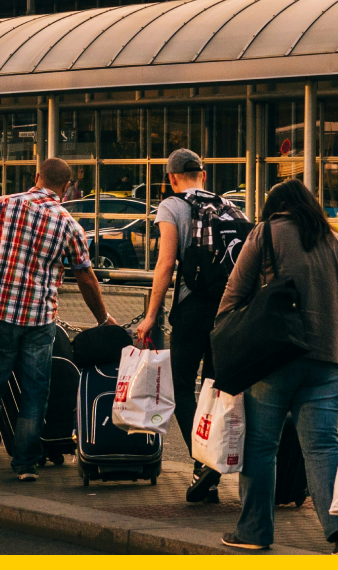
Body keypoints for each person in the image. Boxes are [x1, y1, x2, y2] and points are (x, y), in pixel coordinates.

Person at [218, 179, 338, 554]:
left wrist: (226, 344)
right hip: (328, 362)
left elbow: (233, 294)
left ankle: (255, 532)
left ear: (276, 207)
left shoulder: (265, 235)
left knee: (261, 446)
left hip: (274, 358)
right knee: (323, 445)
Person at [0, 157, 117, 482]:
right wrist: (103, 318)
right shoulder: (70, 224)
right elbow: (86, 277)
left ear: (36, 176)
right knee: (35, 391)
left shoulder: (5, 205)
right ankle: (26, 464)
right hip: (40, 319)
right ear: (66, 187)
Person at [135, 148, 236, 503]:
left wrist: (151, 315)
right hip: (227, 311)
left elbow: (165, 264)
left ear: (171, 178)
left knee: (179, 385)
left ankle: (201, 460)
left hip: (193, 310)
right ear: (204, 175)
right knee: (212, 390)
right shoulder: (228, 206)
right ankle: (208, 468)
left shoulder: (171, 206)